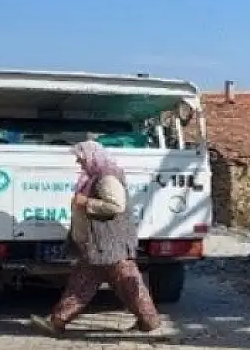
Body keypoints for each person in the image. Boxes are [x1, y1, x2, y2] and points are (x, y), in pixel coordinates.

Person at [32, 140, 161, 336]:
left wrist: (86, 202)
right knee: (121, 283)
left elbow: (116, 206)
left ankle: (57, 322)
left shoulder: (106, 178)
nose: (78, 162)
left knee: (90, 284)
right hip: (100, 244)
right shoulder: (96, 177)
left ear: (91, 157)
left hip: (107, 243)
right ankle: (149, 321)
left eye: (80, 158)